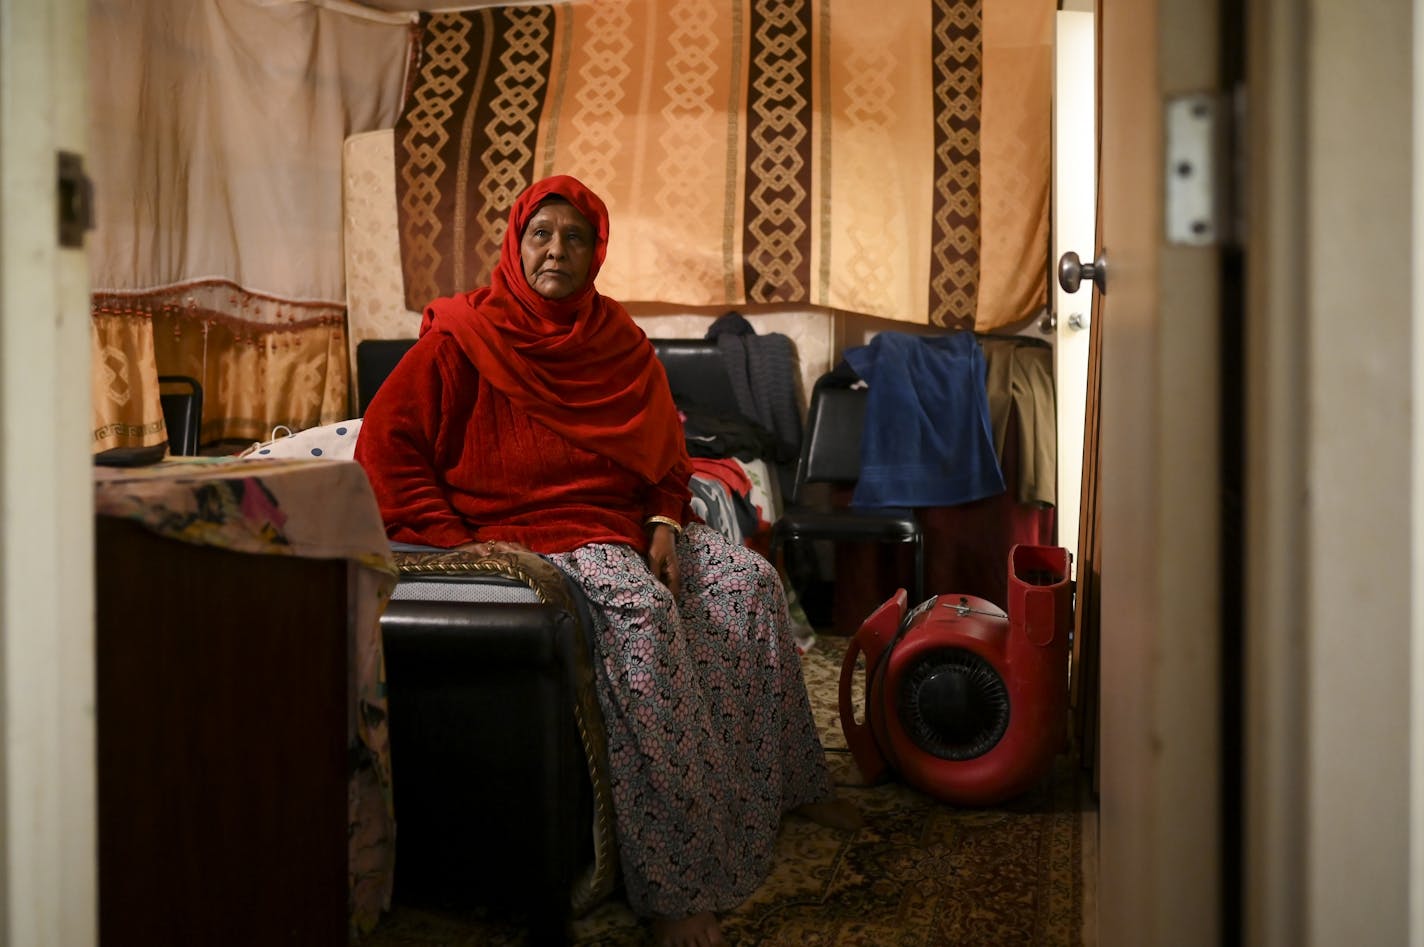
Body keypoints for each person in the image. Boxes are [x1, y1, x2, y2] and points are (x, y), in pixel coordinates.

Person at [354, 174, 858, 947]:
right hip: (528, 536)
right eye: (542, 235)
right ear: (516, 245)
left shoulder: (617, 340)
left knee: (750, 583)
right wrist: (461, 545)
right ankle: (677, 885)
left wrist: (662, 518)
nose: (557, 249)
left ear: (596, 252)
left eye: (575, 237)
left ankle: (786, 783)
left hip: (622, 526)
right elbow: (385, 453)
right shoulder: (458, 340)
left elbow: (665, 456)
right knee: (643, 612)